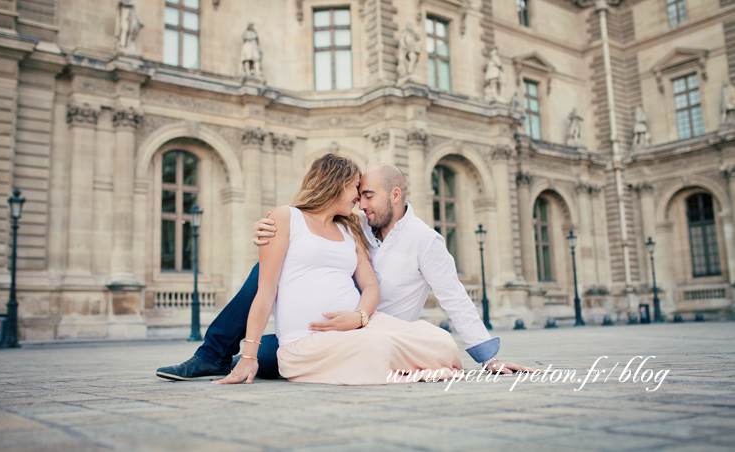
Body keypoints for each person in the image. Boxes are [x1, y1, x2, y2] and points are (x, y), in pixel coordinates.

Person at [156, 163, 534, 381]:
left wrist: (487, 358)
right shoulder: (357, 225)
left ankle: (238, 358)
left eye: (367, 195)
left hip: (375, 330)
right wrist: (268, 230)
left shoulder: (425, 241)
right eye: (358, 193)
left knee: (265, 356)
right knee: (264, 272)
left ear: (395, 195)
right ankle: (215, 353)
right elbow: (306, 237)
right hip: (317, 332)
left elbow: (454, 298)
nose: (360, 202)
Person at [212, 154, 462, 384]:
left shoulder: (350, 228)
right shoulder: (286, 218)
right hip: (306, 342)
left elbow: (371, 286)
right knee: (378, 347)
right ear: (337, 183)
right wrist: (249, 356)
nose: (359, 198)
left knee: (440, 340)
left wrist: (359, 316)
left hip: (361, 326)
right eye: (356, 188)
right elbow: (265, 292)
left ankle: (404, 361)